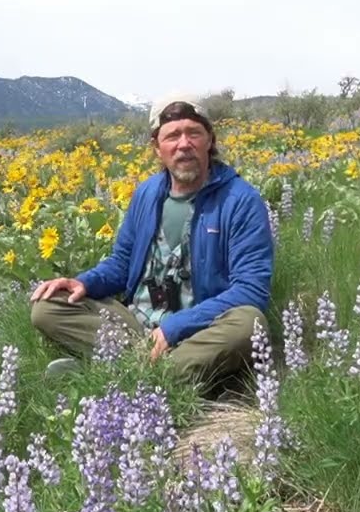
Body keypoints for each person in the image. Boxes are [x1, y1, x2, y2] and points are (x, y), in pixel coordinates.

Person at [29, 91, 274, 391]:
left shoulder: (241, 200)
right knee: (48, 306)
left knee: (251, 324)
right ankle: (156, 373)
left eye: (194, 133)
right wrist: (84, 283)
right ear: (157, 147)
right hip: (138, 326)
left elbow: (250, 291)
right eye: (172, 136)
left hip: (201, 328)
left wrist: (175, 327)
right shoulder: (146, 193)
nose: (184, 144)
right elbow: (122, 263)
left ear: (209, 140)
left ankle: (126, 377)